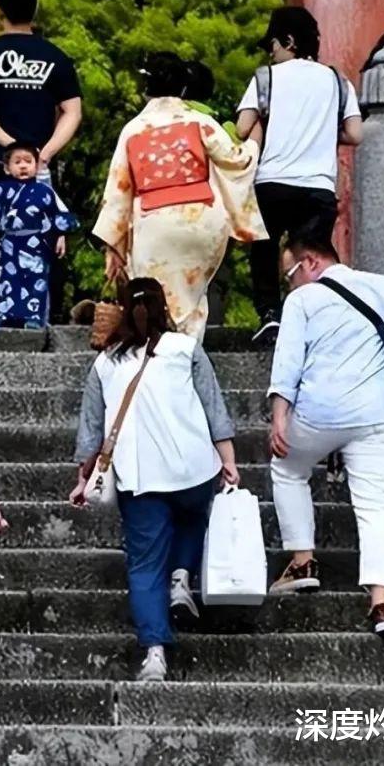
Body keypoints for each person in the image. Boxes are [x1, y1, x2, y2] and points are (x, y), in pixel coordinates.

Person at [267, 233, 384, 636]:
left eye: (290, 274)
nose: (290, 284)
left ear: (311, 262)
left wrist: (280, 413)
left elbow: (288, 360)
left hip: (320, 415)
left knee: (286, 468)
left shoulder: (302, 300)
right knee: (376, 508)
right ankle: (383, 605)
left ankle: (302, 562)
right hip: (379, 419)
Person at [70, 278, 238, 682]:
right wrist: (228, 462)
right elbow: (214, 410)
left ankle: (154, 654)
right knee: (195, 513)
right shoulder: (185, 349)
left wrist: (82, 479)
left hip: (140, 479)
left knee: (144, 566)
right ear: (164, 307)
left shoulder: (105, 362)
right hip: (194, 467)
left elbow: (92, 432)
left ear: (122, 310)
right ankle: (182, 576)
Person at [93, 52, 267, 341]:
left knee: (154, 300)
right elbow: (237, 160)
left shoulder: (133, 130)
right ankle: (188, 356)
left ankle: (157, 359)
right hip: (201, 220)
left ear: (145, 86)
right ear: (182, 87)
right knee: (192, 300)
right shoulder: (200, 122)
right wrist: (253, 142)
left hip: (154, 220)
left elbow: (118, 191)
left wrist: (114, 244)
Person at [236, 6, 363, 343]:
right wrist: (320, 131)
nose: (271, 53)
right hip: (318, 186)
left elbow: (242, 127)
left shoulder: (267, 77)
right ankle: (315, 316)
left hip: (273, 182)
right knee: (312, 253)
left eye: (273, 45)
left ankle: (269, 314)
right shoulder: (337, 80)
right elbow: (355, 134)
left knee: (264, 249)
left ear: (288, 41)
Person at [0, 0, 81, 322]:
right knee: (46, 236)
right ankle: (46, 313)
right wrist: (43, 152)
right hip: (38, 163)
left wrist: (8, 146)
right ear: (36, 9)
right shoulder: (55, 56)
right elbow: (72, 111)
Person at [0, 141, 77, 329]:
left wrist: (60, 236)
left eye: (28, 161)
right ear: (7, 168)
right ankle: (2, 314)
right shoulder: (3, 189)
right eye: (17, 161)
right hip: (10, 243)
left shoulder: (45, 191)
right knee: (6, 279)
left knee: (35, 280)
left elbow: (56, 215)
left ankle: (33, 317)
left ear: (36, 166)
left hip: (35, 244)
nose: (23, 165)